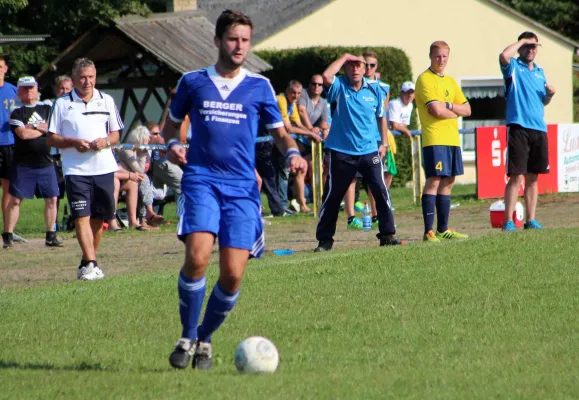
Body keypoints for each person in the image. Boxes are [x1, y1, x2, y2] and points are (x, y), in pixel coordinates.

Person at [161, 10, 307, 370]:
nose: (239, 46)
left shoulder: (259, 87)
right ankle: (187, 335)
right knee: (197, 257)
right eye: (232, 39)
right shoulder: (192, 82)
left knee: (232, 274)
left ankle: (205, 338)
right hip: (201, 180)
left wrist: (292, 152)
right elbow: (170, 128)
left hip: (242, 188)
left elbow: (280, 131)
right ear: (217, 41)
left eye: (244, 40)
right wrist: (172, 146)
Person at [314, 54, 403, 252]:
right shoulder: (339, 87)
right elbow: (326, 76)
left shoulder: (374, 89)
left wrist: (384, 143)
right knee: (333, 196)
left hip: (369, 150)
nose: (355, 69)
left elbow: (381, 117)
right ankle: (325, 240)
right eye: (350, 66)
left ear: (365, 69)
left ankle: (387, 235)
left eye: (358, 65)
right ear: (345, 69)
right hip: (341, 152)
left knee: (381, 190)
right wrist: (345, 56)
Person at [47, 57, 123, 280]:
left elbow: (116, 134)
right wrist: (72, 142)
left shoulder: (106, 100)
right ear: (73, 79)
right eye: (82, 77)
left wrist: (105, 142)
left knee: (99, 219)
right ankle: (92, 263)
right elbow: (51, 138)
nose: (87, 82)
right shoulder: (61, 104)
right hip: (76, 170)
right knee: (81, 215)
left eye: (91, 77)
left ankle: (86, 263)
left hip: (104, 167)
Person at [415, 41, 471, 243]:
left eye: (445, 56)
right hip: (434, 138)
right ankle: (428, 231)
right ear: (430, 56)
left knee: (448, 181)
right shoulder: (424, 79)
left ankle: (443, 229)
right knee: (434, 180)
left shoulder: (450, 81)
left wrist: (448, 105)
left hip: (452, 139)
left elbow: (468, 109)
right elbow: (435, 111)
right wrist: (452, 110)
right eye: (438, 56)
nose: (441, 60)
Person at [499, 32, 555, 231]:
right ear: (521, 47)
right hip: (519, 127)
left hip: (538, 129)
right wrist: (522, 41)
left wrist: (549, 95)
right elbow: (503, 56)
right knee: (516, 176)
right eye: (527, 46)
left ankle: (531, 220)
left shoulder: (540, 72)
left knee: (533, 177)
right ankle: (508, 221)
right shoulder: (514, 67)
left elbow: (543, 101)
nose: (531, 50)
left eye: (534, 47)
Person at [2, 77, 63, 249]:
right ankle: (8, 235)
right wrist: (40, 128)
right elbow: (23, 135)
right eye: (25, 89)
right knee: (15, 200)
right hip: (24, 164)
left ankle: (51, 235)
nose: (29, 92)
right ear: (19, 92)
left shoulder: (47, 107)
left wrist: (35, 128)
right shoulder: (16, 111)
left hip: (46, 162)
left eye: (32, 88)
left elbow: (53, 128)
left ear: (37, 90)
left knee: (52, 198)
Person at [273, 80, 317, 213]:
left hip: (278, 139)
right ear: (287, 91)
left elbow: (298, 123)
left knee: (290, 171)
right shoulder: (281, 100)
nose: (296, 96)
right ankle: (282, 206)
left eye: (298, 93)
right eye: (293, 92)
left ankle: (297, 204)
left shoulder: (292, 103)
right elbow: (289, 128)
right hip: (269, 138)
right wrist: (310, 133)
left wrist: (312, 131)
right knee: (282, 173)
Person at [115, 125, 164, 229]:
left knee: (141, 180)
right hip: (119, 179)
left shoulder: (140, 151)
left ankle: (145, 218)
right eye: (145, 140)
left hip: (130, 178)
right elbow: (140, 170)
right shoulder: (127, 150)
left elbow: (141, 171)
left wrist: (142, 153)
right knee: (143, 179)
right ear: (139, 140)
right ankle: (148, 215)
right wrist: (143, 155)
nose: (147, 143)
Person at [296, 74, 329, 213]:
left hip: (310, 140)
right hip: (296, 137)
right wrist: (311, 129)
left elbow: (324, 123)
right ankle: (301, 204)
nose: (316, 87)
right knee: (300, 169)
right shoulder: (303, 93)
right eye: (314, 83)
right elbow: (301, 111)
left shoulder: (322, 102)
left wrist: (321, 129)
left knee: (315, 168)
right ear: (309, 84)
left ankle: (317, 201)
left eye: (320, 85)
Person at [0, 56, 18, 241]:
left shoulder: (14, 91)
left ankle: (8, 232)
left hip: (10, 143)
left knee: (8, 188)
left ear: (5, 69)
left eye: (0, 67)